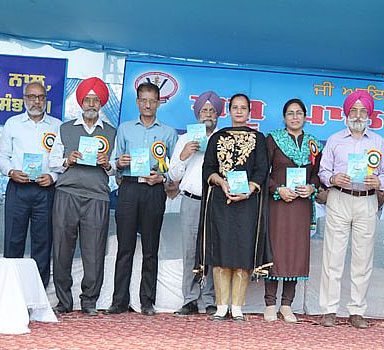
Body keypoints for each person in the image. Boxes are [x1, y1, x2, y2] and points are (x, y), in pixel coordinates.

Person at [317, 91, 384, 329]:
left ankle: (357, 310)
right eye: (354, 110)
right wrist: (333, 178)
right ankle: (329, 310)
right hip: (339, 198)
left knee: (363, 257)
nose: (358, 115)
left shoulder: (378, 142)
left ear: (369, 115)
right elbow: (323, 172)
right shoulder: (335, 140)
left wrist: (379, 182)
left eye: (363, 111)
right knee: (333, 256)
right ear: (346, 113)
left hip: (367, 199)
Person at [196, 93, 270, 322]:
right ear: (228, 111)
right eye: (235, 107)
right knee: (220, 253)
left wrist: (250, 188)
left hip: (247, 204)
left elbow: (262, 169)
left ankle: (237, 307)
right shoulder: (217, 137)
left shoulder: (258, 138)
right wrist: (221, 182)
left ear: (249, 112)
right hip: (221, 202)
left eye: (243, 108)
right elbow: (208, 168)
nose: (239, 112)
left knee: (241, 253)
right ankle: (220, 306)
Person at [106, 82, 178, 316]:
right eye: (143, 100)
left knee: (150, 248)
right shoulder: (125, 129)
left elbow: (175, 167)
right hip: (128, 189)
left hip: (153, 192)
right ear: (137, 102)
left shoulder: (168, 132)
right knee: (124, 248)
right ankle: (119, 301)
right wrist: (119, 164)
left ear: (159, 103)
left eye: (152, 101)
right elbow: (114, 162)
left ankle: (147, 301)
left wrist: (163, 177)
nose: (147, 105)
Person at [49, 77, 115, 315]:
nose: (91, 104)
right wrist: (68, 160)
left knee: (94, 251)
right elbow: (52, 161)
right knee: (62, 248)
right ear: (80, 102)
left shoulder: (110, 132)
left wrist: (108, 164)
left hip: (97, 196)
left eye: (95, 100)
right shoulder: (65, 128)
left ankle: (89, 301)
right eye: (87, 99)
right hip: (67, 193)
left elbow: (117, 169)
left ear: (101, 104)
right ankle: (64, 301)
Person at [264, 98, 323, 323]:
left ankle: (287, 304)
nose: (295, 117)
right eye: (290, 113)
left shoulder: (313, 143)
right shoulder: (273, 140)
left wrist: (311, 187)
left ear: (305, 116)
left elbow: (317, 174)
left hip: (301, 205)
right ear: (284, 117)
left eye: (299, 113)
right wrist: (278, 189)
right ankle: (270, 303)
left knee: (296, 252)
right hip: (278, 203)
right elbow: (264, 172)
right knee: (276, 250)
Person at [0, 81, 62, 286]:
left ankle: (39, 291)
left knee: (42, 242)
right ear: (24, 99)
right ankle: (10, 288)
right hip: (18, 188)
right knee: (13, 240)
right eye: (32, 97)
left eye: (41, 97)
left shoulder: (57, 126)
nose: (36, 101)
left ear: (46, 100)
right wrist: (11, 171)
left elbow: (61, 160)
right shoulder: (12, 124)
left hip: (45, 190)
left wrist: (53, 176)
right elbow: (2, 156)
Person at [169, 91, 223, 316]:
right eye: (204, 111)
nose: (207, 115)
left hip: (216, 202)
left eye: (212, 111)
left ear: (218, 115)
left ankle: (210, 299)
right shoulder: (184, 139)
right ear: (197, 114)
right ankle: (190, 299)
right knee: (191, 251)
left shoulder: (223, 138)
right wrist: (184, 154)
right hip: (191, 200)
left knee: (212, 250)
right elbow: (173, 174)